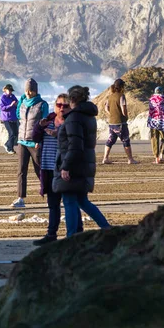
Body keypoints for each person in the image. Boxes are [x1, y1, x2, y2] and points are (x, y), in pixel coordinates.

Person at [53, 86, 111, 237]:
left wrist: (65, 166)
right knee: (82, 200)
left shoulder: (74, 117)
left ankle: (71, 236)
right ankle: (106, 228)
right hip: (85, 162)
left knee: (70, 200)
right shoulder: (88, 116)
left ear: (72, 100)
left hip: (74, 164)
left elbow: (75, 145)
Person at [32, 94, 83, 246]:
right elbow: (35, 138)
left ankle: (76, 233)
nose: (61, 108)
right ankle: (51, 234)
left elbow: (74, 144)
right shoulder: (48, 119)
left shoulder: (72, 122)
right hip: (48, 166)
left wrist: (58, 133)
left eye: (65, 105)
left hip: (64, 168)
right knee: (53, 204)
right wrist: (39, 127)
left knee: (71, 203)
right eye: (59, 105)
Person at [11, 78, 48, 208]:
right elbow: (18, 116)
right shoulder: (23, 102)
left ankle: (50, 194)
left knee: (40, 170)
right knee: (21, 170)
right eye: (26, 90)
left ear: (35, 91)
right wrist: (21, 100)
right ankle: (20, 198)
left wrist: (40, 140)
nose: (27, 93)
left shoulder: (42, 104)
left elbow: (44, 123)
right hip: (22, 141)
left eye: (30, 91)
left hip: (35, 142)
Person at [102, 79, 139, 164]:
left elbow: (106, 108)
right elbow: (123, 109)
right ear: (122, 87)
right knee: (125, 140)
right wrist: (125, 116)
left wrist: (111, 114)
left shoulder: (110, 96)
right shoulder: (121, 96)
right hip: (120, 123)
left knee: (110, 140)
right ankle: (130, 159)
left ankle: (105, 158)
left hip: (111, 122)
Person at [0, 84, 18, 155]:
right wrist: (10, 105)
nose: (10, 92)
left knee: (15, 133)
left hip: (13, 117)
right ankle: (10, 148)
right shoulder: (2, 98)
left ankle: (8, 145)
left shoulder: (13, 96)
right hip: (6, 118)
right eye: (9, 90)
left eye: (11, 91)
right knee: (12, 133)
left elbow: (17, 103)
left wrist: (16, 104)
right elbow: (2, 108)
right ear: (5, 90)